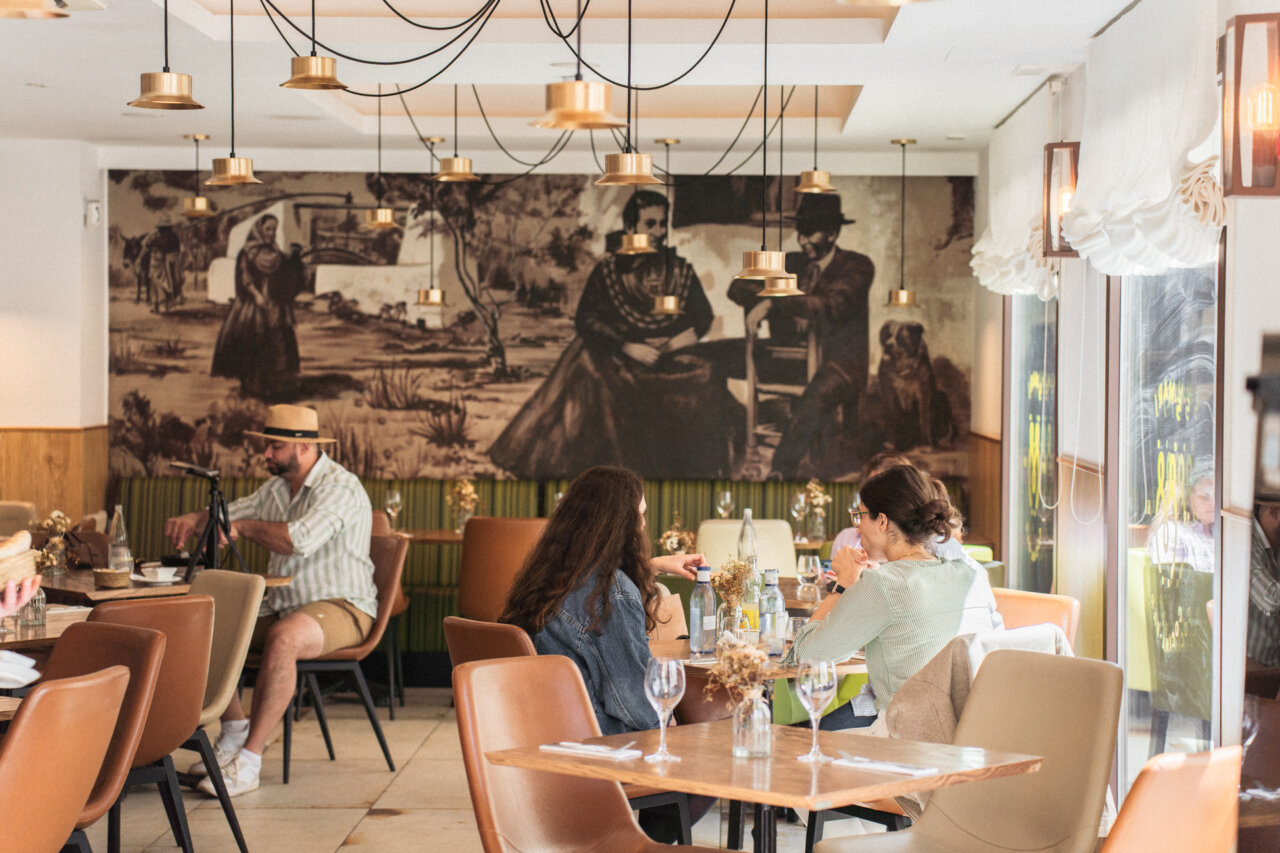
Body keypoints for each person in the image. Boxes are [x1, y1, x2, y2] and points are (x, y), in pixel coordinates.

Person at [163, 404, 377, 797]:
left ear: (305, 447)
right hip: (284, 602)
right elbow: (229, 513)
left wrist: (242, 528)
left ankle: (249, 761)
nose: (266, 454)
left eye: (275, 446)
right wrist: (196, 518)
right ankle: (234, 731)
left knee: (284, 638)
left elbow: (300, 540)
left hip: (343, 605)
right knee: (205, 625)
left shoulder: (340, 488)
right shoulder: (277, 489)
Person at [489, 190, 737, 479]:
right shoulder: (608, 270)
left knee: (709, 374)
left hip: (669, 357)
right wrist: (626, 346)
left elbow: (702, 315)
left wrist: (682, 339)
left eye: (662, 224)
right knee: (589, 367)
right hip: (623, 358)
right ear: (630, 228)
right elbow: (587, 320)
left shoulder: (680, 269)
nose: (659, 232)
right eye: (650, 224)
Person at [783, 464, 1003, 730]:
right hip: (969, 733)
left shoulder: (883, 584)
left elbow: (806, 655)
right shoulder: (972, 574)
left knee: (790, 738)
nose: (857, 527)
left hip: (904, 738)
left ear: (883, 521)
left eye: (860, 516)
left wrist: (843, 584)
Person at [499, 465, 701, 735]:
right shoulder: (611, 594)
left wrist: (651, 566)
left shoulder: (544, 578)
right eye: (640, 514)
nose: (643, 524)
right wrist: (672, 724)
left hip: (541, 732)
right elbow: (640, 708)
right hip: (601, 742)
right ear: (622, 524)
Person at [728, 193, 874, 478]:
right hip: (790, 357)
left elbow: (831, 307)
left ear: (832, 233)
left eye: (810, 232)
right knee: (714, 358)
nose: (803, 240)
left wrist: (774, 301)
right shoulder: (792, 262)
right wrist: (769, 296)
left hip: (840, 364)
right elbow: (737, 287)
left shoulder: (857, 266)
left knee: (813, 402)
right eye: (800, 232)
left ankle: (780, 472)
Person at [211, 214, 301, 399]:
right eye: (268, 229)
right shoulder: (247, 252)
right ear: (259, 230)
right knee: (251, 340)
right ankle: (250, 385)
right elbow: (245, 277)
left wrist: (295, 260)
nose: (271, 233)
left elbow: (286, 277)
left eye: (274, 229)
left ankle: (271, 385)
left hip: (274, 304)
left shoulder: (276, 253)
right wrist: (257, 296)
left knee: (276, 343)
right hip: (253, 303)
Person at [1147, 459, 1216, 572]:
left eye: (1218, 496)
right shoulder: (1171, 532)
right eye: (1204, 496)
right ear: (1187, 497)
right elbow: (1170, 579)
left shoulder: (1223, 530)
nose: (1213, 504)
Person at [1246, 490, 1280, 690]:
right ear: (1275, 512)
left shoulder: (1275, 542)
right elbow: (1271, 600)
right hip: (1252, 667)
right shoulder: (1245, 540)